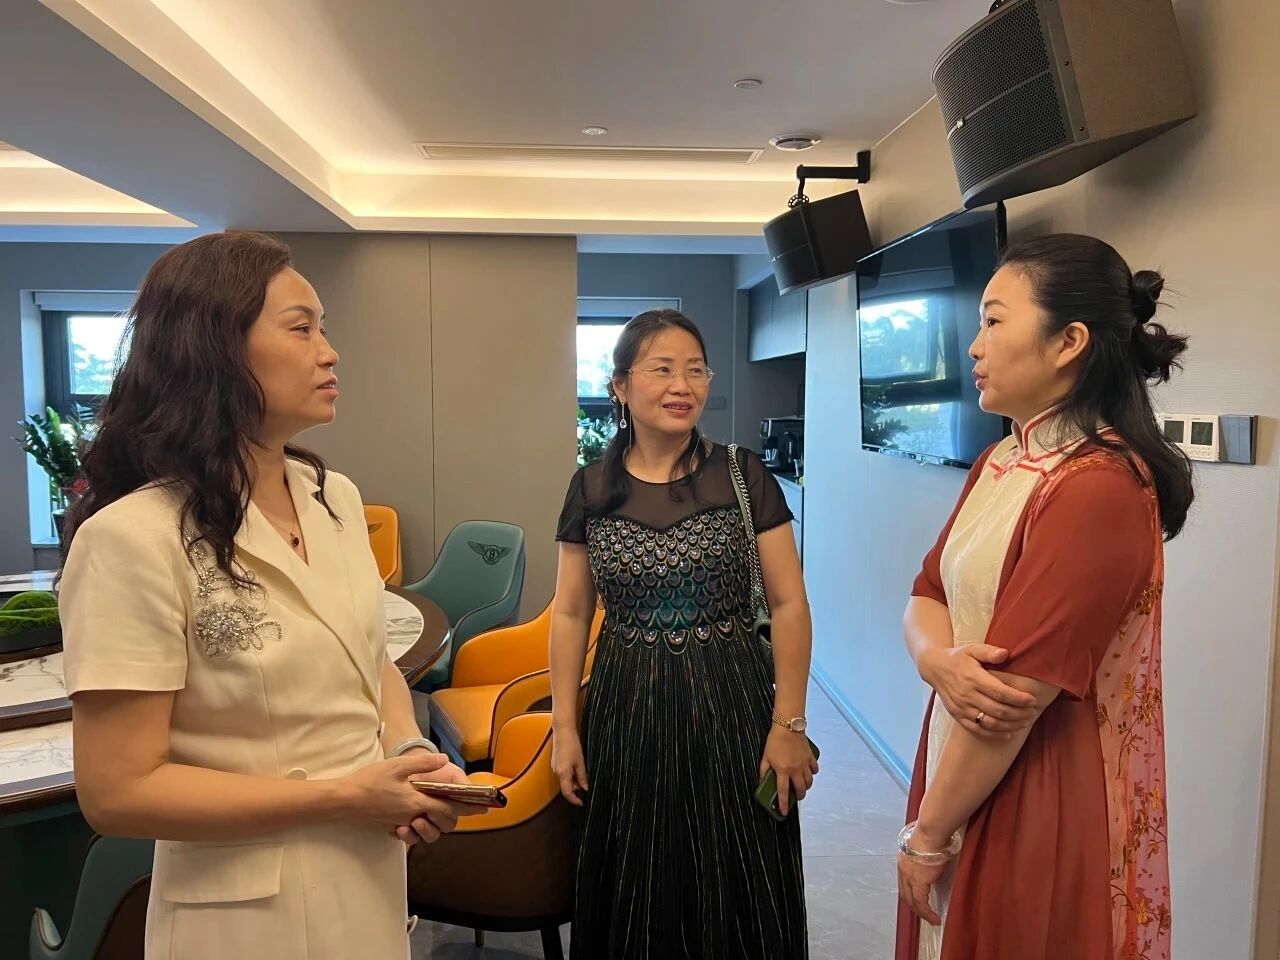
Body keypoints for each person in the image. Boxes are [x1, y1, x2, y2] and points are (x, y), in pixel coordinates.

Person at [58, 231, 479, 960]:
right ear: (214, 349)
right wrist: (345, 797)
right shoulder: (132, 538)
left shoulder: (334, 498)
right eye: (301, 328)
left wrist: (409, 751)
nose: (330, 352)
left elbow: (367, 658)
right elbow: (119, 792)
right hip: (241, 918)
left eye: (325, 328)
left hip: (366, 878)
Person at [894, 234, 1192, 960]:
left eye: (994, 321)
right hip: (960, 755)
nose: (974, 346)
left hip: (1035, 781)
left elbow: (1010, 704)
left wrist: (929, 833)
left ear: (1069, 342)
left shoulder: (1097, 487)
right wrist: (936, 663)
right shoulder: (1003, 458)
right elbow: (926, 592)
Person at [549, 309, 816, 959]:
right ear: (619, 386)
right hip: (625, 710)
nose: (682, 385)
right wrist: (564, 727)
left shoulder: (743, 475)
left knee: (737, 875)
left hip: (732, 707)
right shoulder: (590, 488)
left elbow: (789, 603)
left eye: (696, 370)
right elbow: (571, 612)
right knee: (636, 878)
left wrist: (789, 724)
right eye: (662, 369)